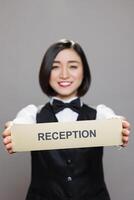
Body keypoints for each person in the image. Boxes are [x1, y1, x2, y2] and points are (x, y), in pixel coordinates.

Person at [2, 39, 130, 200]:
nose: (64, 74)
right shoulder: (31, 115)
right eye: (55, 67)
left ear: (84, 71)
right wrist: (13, 132)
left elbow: (113, 121)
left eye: (73, 66)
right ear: (46, 71)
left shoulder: (100, 114)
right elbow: (19, 125)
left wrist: (120, 128)